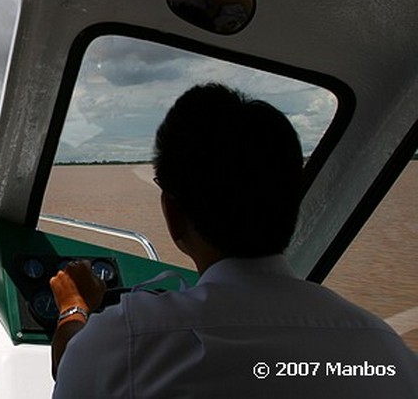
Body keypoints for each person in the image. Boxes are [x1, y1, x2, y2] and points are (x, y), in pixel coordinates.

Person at [50, 83, 418, 397]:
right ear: (293, 203)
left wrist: (72, 306)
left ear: (172, 213)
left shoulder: (128, 340)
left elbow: (72, 370)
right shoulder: (388, 354)